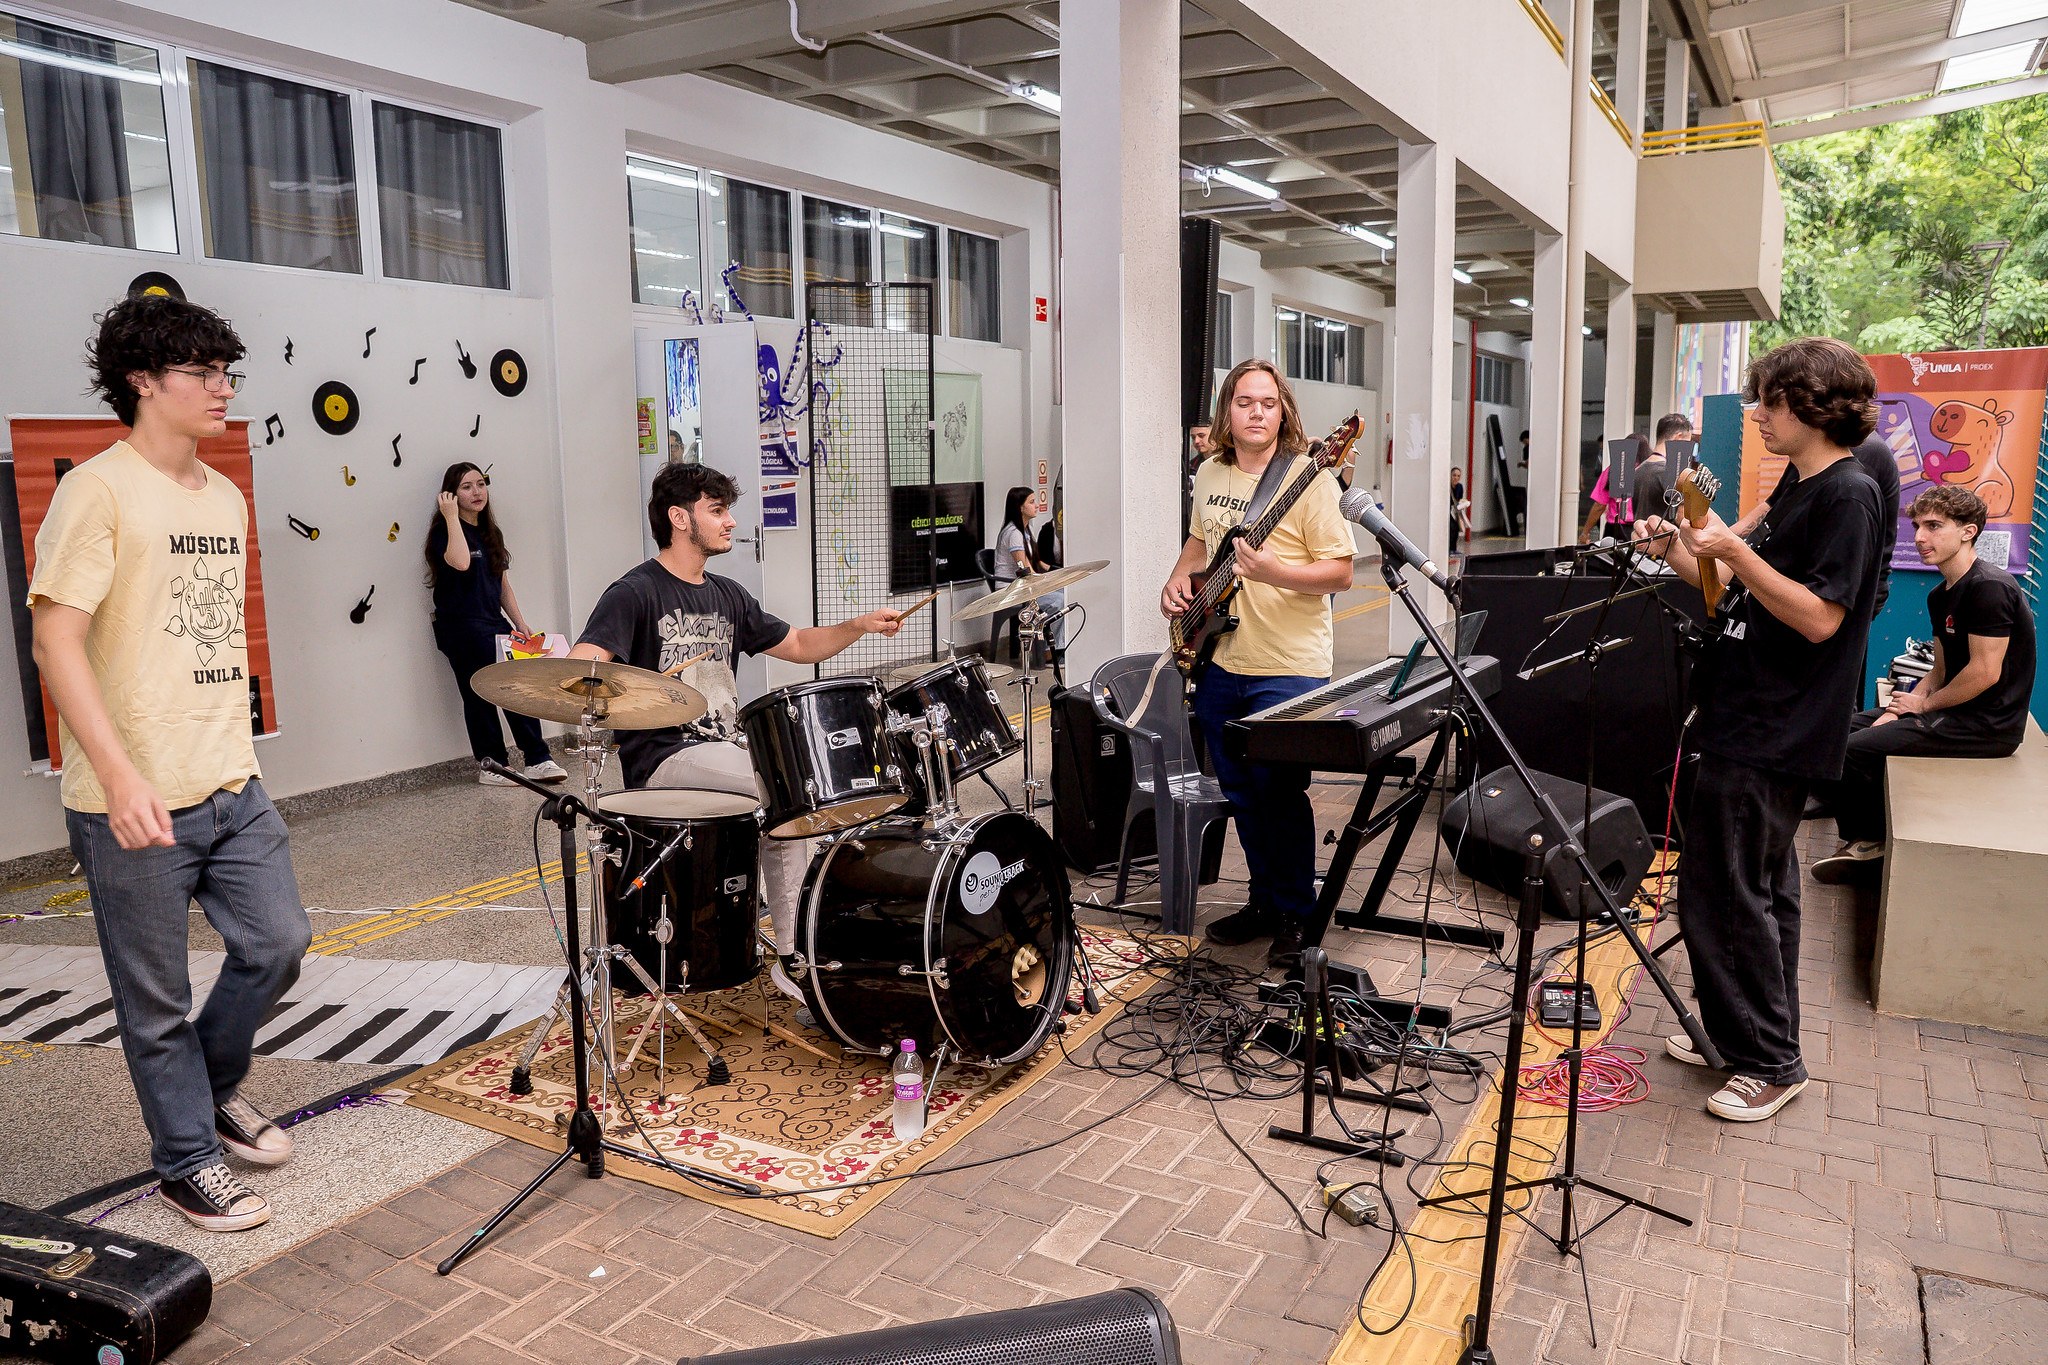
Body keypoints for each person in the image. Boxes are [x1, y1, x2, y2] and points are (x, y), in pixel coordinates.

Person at [29, 294, 311, 1231]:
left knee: (278, 944)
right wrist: (116, 774)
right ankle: (188, 1157)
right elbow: (56, 641)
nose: (223, 389)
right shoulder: (95, 490)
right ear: (144, 382)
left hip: (230, 777)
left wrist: (237, 746)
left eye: (228, 372)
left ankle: (212, 1085)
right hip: (130, 793)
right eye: (203, 373)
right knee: (153, 998)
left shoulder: (225, 495)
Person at [1636, 336, 1884, 1123]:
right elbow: (1728, 590)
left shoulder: (1848, 495)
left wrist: (1736, 548)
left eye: (1769, 401)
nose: (1759, 414)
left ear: (1810, 403)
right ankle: (1740, 1033)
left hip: (1776, 725)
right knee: (1759, 889)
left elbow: (1819, 616)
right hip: (1743, 709)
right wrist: (1678, 550)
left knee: (1726, 894)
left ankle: (1771, 1061)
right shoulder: (1798, 481)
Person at [570, 463, 900, 996]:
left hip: (726, 749)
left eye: (728, 510)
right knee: (784, 790)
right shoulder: (634, 592)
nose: (731, 522)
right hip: (665, 759)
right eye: (717, 511)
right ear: (680, 518)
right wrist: (583, 670)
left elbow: (795, 645)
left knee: (804, 790)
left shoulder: (728, 594)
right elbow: (586, 666)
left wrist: (857, 626)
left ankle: (817, 934)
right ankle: (796, 958)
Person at [1160, 359, 1356, 966]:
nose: (1256, 413)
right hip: (1222, 658)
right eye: (1244, 402)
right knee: (1242, 791)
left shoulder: (1310, 478)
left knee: (1280, 790)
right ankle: (1265, 901)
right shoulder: (1211, 472)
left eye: (1267, 403)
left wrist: (1274, 572)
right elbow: (1200, 542)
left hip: (1289, 663)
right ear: (1227, 411)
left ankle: (1298, 912)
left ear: (1284, 411)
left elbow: (1342, 572)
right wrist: (1175, 581)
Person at [1809, 486, 2036, 883]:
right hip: (1953, 708)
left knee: (1851, 751)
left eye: (1934, 526)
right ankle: (1847, 813)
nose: (1919, 537)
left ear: (1968, 532)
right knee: (1834, 731)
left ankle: (1871, 843)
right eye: (1917, 526)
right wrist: (1900, 709)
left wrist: (1921, 709)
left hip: (1987, 726)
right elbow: (1939, 672)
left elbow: (1984, 673)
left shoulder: (1990, 587)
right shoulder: (1940, 595)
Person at [425, 463, 566, 786]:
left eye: (481, 484)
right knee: (482, 693)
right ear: (450, 495)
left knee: (518, 684)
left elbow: (502, 584)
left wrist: (520, 624)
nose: (477, 492)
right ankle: (494, 764)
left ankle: (537, 759)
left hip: (493, 622)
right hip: (460, 627)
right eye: (466, 487)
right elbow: (460, 562)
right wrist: (449, 516)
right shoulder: (443, 533)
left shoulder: (491, 533)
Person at [994, 485, 1063, 665]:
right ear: (1020, 507)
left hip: (1025, 587)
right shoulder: (1013, 534)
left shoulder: (1025, 531)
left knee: (1066, 593)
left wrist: (1060, 574)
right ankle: (1047, 651)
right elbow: (1025, 571)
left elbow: (1039, 564)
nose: (1037, 505)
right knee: (1058, 602)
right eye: (1032, 502)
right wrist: (1046, 582)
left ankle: (1055, 646)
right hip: (1012, 591)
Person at [1580, 434, 1648, 543]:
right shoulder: (1650, 471)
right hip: (1644, 529)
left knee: (1611, 559)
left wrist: (1585, 532)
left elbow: (1599, 505)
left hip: (1616, 529)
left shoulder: (1614, 470)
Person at [1631, 412, 1694, 526]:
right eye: (1688, 442)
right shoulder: (1675, 474)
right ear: (1678, 437)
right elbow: (1683, 519)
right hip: (1667, 541)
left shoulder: (1638, 470)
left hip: (1641, 538)